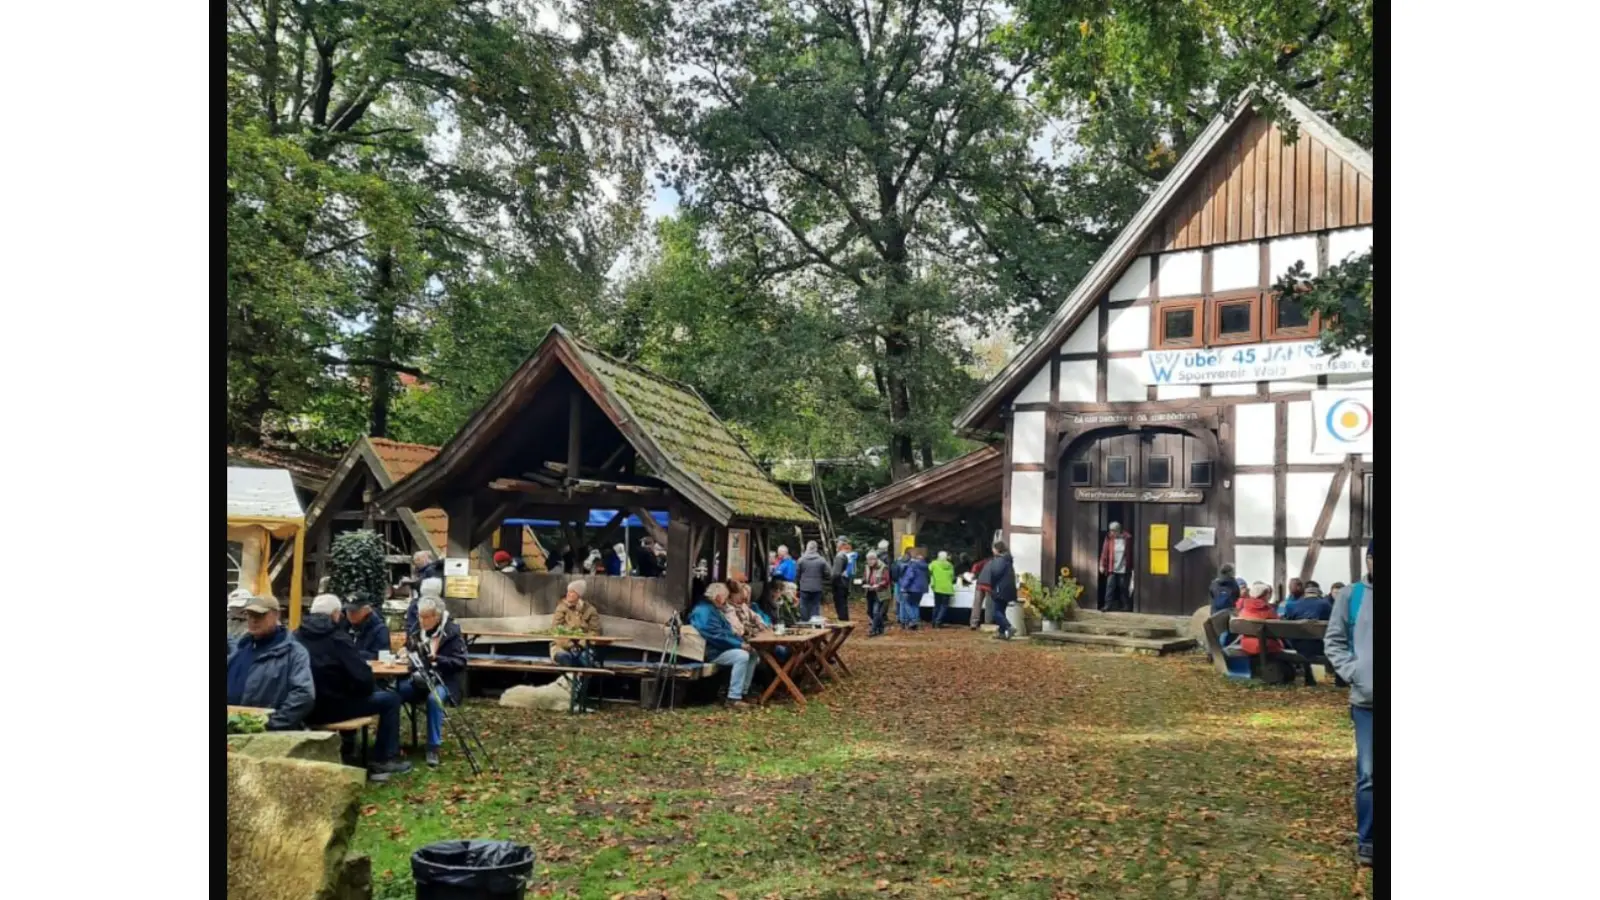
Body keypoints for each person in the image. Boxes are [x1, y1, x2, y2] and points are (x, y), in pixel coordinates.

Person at [296, 596, 412, 780]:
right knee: (391, 699)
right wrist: (365, 690)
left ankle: (349, 745)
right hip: (334, 707)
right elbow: (362, 678)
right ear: (336, 614)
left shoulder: (296, 636)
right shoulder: (338, 639)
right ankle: (384, 759)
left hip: (302, 708)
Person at [1325, 540, 1374, 869]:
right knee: (1369, 775)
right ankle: (1368, 840)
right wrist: (1354, 672)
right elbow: (1334, 639)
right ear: (1369, 561)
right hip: (1367, 701)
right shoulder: (1351, 596)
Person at [396, 593, 468, 767]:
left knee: (434, 699)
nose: (421, 621)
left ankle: (433, 747)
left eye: (426, 617)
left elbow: (461, 662)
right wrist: (404, 653)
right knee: (394, 693)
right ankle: (390, 745)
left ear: (436, 616)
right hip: (419, 679)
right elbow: (409, 648)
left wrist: (438, 659)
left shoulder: (451, 632)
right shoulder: (415, 629)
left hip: (445, 680)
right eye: (420, 616)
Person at [226, 594, 315, 731]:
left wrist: (271, 724)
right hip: (234, 730)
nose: (253, 620)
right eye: (249, 615)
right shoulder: (240, 648)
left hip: (268, 735)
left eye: (259, 615)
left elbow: (303, 694)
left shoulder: (293, 652)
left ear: (276, 615)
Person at [688, 583, 757, 708]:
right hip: (711, 651)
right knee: (742, 656)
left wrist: (740, 641)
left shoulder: (711, 609)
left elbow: (724, 632)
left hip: (719, 648)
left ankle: (743, 692)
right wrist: (739, 644)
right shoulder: (704, 611)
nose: (726, 601)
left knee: (753, 654)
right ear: (719, 597)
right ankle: (733, 698)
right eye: (725, 598)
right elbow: (715, 636)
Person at [550, 580, 602, 667]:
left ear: (578, 595)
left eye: (572, 592)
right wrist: (570, 645)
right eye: (568, 591)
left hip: (584, 648)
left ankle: (580, 679)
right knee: (566, 659)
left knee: (585, 661)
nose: (568, 594)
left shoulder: (590, 610)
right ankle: (570, 678)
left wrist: (581, 645)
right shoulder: (561, 608)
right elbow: (555, 630)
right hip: (561, 647)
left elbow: (595, 632)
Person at [1281, 581, 1332, 662]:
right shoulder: (1326, 605)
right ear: (1318, 591)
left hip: (1297, 645)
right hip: (1318, 645)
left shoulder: (1291, 605)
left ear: (1305, 592)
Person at [975, 541, 1017, 640]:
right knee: (1001, 610)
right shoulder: (1008, 560)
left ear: (997, 549)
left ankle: (1008, 627)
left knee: (996, 612)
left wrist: (988, 580)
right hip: (1008, 589)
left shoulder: (999, 561)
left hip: (999, 589)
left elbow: (995, 573)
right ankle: (1002, 633)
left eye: (993, 549)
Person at [1234, 582, 1284, 657]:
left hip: (1247, 645)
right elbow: (1279, 628)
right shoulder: (1268, 611)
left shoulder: (1244, 610)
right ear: (1264, 596)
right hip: (1267, 646)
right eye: (1268, 594)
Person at [1098, 522, 1133, 611]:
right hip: (1111, 567)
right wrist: (1102, 564)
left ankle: (1126, 606)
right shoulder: (1109, 538)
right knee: (1110, 586)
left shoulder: (1127, 538)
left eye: (1114, 531)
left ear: (1119, 530)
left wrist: (1131, 566)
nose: (1112, 533)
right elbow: (1104, 552)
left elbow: (1130, 553)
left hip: (1123, 567)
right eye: (1111, 531)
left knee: (1123, 587)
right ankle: (1107, 606)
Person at [795, 540, 832, 621]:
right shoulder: (821, 560)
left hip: (804, 587)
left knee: (804, 605)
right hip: (817, 587)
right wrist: (823, 578)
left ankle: (805, 622)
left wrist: (798, 586)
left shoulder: (801, 560)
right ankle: (815, 623)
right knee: (815, 605)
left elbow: (797, 575)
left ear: (807, 548)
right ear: (816, 549)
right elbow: (828, 573)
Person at [897, 548, 930, 631]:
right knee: (915, 605)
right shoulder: (925, 566)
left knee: (908, 604)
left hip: (912, 588)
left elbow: (909, 577)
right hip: (922, 589)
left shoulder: (913, 565)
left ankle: (914, 620)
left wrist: (903, 586)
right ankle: (915, 621)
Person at [861, 550, 891, 637]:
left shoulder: (883, 567)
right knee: (869, 611)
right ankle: (881, 628)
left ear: (876, 559)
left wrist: (877, 585)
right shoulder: (867, 567)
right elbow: (865, 578)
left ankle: (873, 630)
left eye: (871, 559)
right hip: (870, 592)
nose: (869, 561)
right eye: (868, 560)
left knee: (876, 612)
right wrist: (861, 581)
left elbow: (886, 581)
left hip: (880, 593)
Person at [929, 551, 956, 628]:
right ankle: (938, 622)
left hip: (937, 587)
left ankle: (934, 622)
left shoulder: (934, 563)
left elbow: (929, 570)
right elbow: (952, 577)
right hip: (947, 588)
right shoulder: (950, 565)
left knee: (937, 605)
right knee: (944, 606)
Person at [831, 538, 853, 622]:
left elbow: (836, 573)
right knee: (843, 604)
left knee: (840, 604)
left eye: (837, 543)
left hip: (839, 584)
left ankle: (843, 621)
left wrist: (832, 581)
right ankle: (844, 620)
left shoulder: (840, 556)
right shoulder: (846, 555)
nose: (836, 544)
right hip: (844, 583)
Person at [968, 555, 990, 629]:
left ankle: (973, 623)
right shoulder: (996, 563)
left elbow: (974, 570)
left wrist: (974, 575)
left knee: (977, 604)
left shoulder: (981, 562)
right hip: (990, 586)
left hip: (980, 584)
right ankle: (988, 622)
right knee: (989, 605)